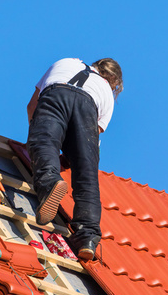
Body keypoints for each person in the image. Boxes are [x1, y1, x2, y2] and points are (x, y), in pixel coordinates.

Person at [27, 57, 123, 260]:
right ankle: (87, 236)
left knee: (45, 143)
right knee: (86, 174)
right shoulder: (105, 91)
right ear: (114, 83)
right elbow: (89, 144)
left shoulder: (65, 62)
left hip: (55, 94)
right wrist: (73, 158)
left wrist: (36, 138)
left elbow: (32, 107)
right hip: (88, 107)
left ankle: (49, 182)